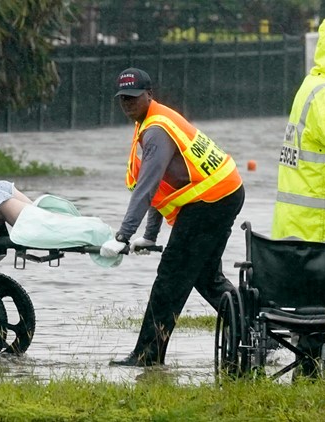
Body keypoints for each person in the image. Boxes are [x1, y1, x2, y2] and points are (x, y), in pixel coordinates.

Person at [102, 68, 245, 367]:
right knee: (205, 276)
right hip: (223, 194)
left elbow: (147, 187)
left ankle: (146, 356)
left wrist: (122, 237)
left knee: (170, 278)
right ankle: (255, 332)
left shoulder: (155, 131)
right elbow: (164, 188)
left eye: (133, 97)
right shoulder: (152, 120)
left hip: (211, 201)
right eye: (122, 98)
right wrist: (150, 235)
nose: (127, 103)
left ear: (149, 94)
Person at [271, 18, 325, 378]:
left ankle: (311, 366)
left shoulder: (310, 87)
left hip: (298, 224)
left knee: (314, 303)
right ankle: (312, 368)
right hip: (323, 226)